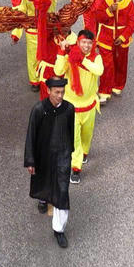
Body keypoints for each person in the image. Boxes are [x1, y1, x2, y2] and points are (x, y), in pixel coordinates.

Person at [25, 76, 75, 249]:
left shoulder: (69, 109)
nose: (60, 96)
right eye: (57, 92)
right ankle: (43, 199)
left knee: (62, 190)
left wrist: (70, 152)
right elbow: (31, 135)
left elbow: (71, 131)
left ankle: (59, 230)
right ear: (48, 91)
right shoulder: (39, 109)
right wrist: (30, 160)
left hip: (62, 155)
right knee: (44, 181)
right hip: (43, 154)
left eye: (62, 92)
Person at [49, 30, 103, 184]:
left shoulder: (95, 58)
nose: (86, 45)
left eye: (89, 43)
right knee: (74, 140)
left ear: (92, 45)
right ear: (78, 42)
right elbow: (58, 71)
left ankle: (84, 153)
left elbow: (99, 71)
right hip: (71, 108)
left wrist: (82, 60)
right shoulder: (69, 56)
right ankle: (76, 167)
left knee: (87, 135)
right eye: (83, 42)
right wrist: (61, 52)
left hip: (89, 107)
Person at [89, 0, 134, 102]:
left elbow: (132, 22)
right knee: (107, 64)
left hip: (122, 36)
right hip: (106, 35)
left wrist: (123, 37)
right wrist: (109, 11)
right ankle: (104, 91)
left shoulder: (129, 2)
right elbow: (98, 17)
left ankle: (118, 85)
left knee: (121, 62)